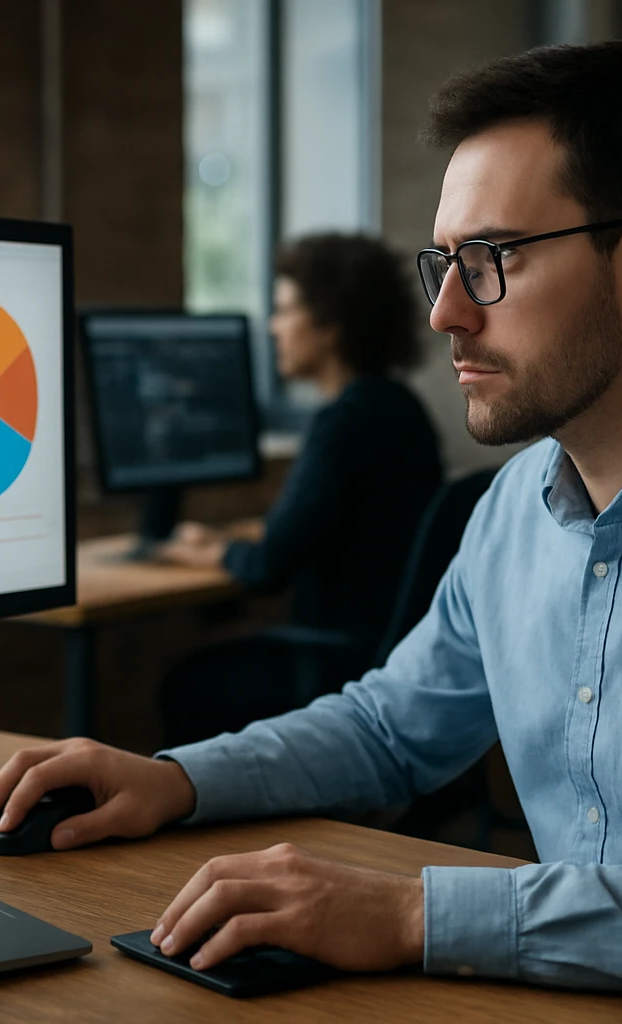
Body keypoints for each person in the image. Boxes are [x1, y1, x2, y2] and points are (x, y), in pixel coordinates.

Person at [0, 41, 622, 998]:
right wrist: (174, 780)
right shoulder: (512, 509)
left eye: (491, 257)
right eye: (442, 261)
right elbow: (387, 730)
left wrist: (416, 914)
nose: (446, 311)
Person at [154, 234, 443, 747]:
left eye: (285, 310)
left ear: (330, 324)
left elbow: (269, 566)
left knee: (185, 685)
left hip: (341, 665)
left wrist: (214, 550)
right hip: (395, 655)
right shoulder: (402, 408)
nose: (273, 326)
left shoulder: (342, 422)